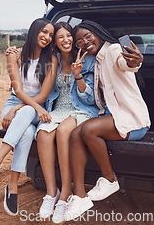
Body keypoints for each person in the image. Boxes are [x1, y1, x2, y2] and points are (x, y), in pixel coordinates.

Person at [64, 20, 150, 221]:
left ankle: (110, 179)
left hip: (133, 122)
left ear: (97, 33)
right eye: (79, 42)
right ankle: (79, 196)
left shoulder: (112, 50)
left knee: (87, 130)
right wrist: (78, 76)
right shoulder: (97, 62)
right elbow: (94, 99)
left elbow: (126, 63)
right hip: (111, 118)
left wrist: (134, 61)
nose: (84, 42)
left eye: (88, 36)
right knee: (76, 134)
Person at [0, 17, 57, 216]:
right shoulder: (14, 55)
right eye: (44, 32)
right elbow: (18, 89)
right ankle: (12, 186)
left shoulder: (52, 60)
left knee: (27, 112)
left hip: (35, 107)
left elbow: (43, 96)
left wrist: (29, 108)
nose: (47, 37)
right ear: (34, 31)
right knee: (26, 133)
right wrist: (16, 108)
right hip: (15, 104)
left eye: (51, 34)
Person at [34, 22, 99, 223]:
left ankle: (66, 194)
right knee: (43, 133)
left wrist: (78, 74)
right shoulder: (51, 60)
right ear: (55, 42)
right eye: (60, 37)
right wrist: (15, 52)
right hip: (58, 109)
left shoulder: (87, 61)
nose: (66, 40)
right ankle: (51, 192)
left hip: (81, 110)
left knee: (63, 132)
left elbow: (90, 98)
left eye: (69, 36)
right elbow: (30, 55)